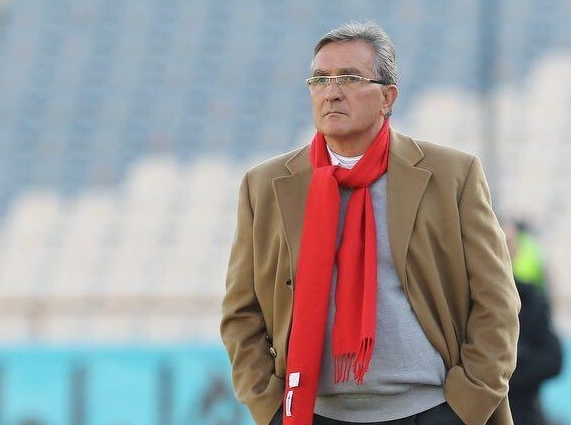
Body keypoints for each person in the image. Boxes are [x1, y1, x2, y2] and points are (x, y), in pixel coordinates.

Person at [220, 21, 520, 425]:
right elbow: (241, 313)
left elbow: (496, 301)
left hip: (428, 410)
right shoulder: (265, 186)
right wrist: (269, 406)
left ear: (387, 97)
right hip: (312, 413)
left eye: (349, 78)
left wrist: (467, 405)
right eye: (320, 79)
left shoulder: (452, 174)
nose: (332, 92)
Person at [503, 221, 563, 425]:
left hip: (522, 412)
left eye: (509, 244)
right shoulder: (463, 299)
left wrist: (506, 373)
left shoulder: (530, 298)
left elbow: (553, 359)